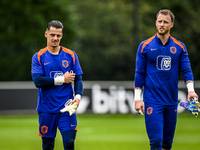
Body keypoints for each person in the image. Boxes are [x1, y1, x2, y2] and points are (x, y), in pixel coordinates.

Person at [134, 9, 198, 150]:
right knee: (156, 141)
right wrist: (137, 98)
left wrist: (191, 91)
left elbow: (186, 70)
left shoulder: (180, 47)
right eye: (160, 21)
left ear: (171, 25)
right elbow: (139, 73)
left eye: (165, 22)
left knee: (167, 145)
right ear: (156, 23)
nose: (162, 24)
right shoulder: (145, 46)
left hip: (171, 101)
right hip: (152, 101)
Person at [31, 20, 83, 150]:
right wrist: (62, 79)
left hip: (66, 107)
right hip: (46, 109)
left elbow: (78, 78)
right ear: (46, 34)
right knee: (48, 146)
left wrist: (78, 96)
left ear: (62, 36)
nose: (55, 38)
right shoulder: (38, 57)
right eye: (52, 35)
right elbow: (38, 81)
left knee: (70, 142)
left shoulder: (70, 55)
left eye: (58, 35)